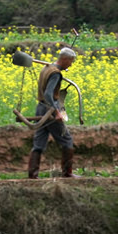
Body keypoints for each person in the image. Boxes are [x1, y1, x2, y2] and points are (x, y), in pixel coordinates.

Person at [28, 47, 79, 179]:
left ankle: (32, 175)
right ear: (65, 59)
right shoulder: (55, 73)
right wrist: (57, 112)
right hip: (50, 110)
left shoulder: (47, 68)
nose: (71, 64)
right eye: (71, 61)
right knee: (67, 140)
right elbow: (48, 94)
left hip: (40, 108)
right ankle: (67, 173)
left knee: (38, 143)